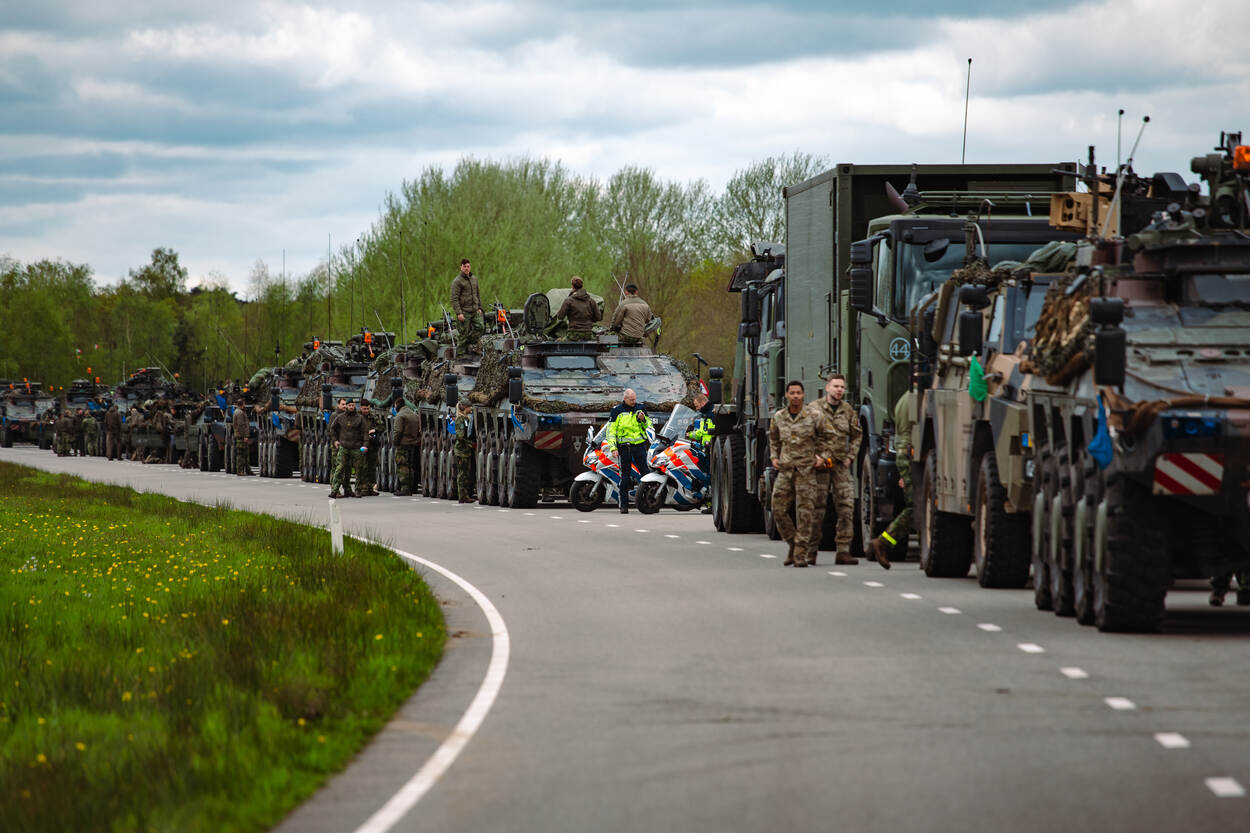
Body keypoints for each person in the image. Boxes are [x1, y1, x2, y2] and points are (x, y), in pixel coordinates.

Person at [809, 373, 872, 567]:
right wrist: (813, 457)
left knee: (846, 508)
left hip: (838, 466)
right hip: (820, 466)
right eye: (836, 386)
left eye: (842, 387)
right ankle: (810, 551)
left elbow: (857, 435)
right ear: (827, 387)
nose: (839, 390)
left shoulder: (847, 411)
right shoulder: (814, 409)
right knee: (817, 509)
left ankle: (843, 551)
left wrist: (851, 456)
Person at [768, 380, 827, 567]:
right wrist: (774, 457)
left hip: (806, 471)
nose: (795, 396)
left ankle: (800, 554)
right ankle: (793, 544)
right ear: (786, 395)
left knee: (805, 513)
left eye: (798, 393)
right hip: (785, 470)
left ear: (803, 395)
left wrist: (822, 457)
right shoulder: (778, 417)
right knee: (777, 509)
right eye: (792, 393)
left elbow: (827, 439)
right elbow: (774, 439)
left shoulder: (814, 416)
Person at [866, 389, 916, 567]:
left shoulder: (904, 398)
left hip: (904, 452)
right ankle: (883, 542)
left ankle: (884, 542)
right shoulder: (917, 398)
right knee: (914, 508)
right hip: (911, 454)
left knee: (915, 507)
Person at [606, 388, 651, 514]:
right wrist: (613, 448)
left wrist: (642, 420)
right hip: (624, 448)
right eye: (631, 400)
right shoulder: (617, 411)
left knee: (646, 475)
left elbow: (649, 426)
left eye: (635, 399)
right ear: (625, 399)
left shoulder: (641, 408)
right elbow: (611, 431)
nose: (634, 402)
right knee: (625, 476)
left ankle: (648, 503)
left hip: (639, 446)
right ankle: (624, 505)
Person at [329, 399, 367, 498]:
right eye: (349, 405)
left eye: (352, 405)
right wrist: (335, 440)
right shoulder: (340, 417)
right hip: (344, 447)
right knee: (340, 468)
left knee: (359, 469)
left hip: (356, 447)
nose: (351, 407)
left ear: (355, 406)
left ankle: (358, 490)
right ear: (346, 406)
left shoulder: (360, 418)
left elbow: (365, 433)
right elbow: (332, 429)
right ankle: (335, 490)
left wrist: (365, 445)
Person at [450, 258, 484, 354]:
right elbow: (454, 299)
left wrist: (480, 307)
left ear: (470, 267)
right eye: (464, 266)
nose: (466, 268)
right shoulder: (457, 281)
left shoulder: (474, 279)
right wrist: (459, 313)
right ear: (461, 267)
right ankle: (460, 355)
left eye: (468, 266)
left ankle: (470, 343)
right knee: (463, 333)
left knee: (480, 327)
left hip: (475, 310)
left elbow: (478, 294)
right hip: (464, 312)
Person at [392, 396, 420, 495]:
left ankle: (405, 488)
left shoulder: (400, 416)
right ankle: (412, 487)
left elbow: (398, 431)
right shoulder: (414, 415)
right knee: (410, 466)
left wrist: (395, 442)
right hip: (412, 443)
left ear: (397, 405)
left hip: (402, 444)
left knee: (402, 466)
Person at [357, 400, 385, 496]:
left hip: (372, 445)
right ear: (360, 408)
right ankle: (362, 487)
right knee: (362, 466)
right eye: (364, 409)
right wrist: (363, 435)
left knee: (372, 467)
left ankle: (370, 487)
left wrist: (374, 430)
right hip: (361, 444)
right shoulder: (357, 417)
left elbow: (382, 426)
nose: (366, 410)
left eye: (368, 408)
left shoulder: (372, 417)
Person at [453, 400, 475, 503]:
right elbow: (460, 436)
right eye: (469, 407)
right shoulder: (460, 420)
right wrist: (470, 443)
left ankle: (465, 495)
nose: (471, 409)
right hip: (461, 451)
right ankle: (462, 496)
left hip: (465, 451)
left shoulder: (465, 419)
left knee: (466, 474)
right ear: (465, 408)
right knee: (462, 474)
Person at [231, 398, 252, 476]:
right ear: (242, 404)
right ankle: (240, 471)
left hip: (241, 436)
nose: (245, 405)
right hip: (241, 436)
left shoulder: (239, 412)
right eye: (244, 403)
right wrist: (245, 436)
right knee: (241, 454)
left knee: (245, 454)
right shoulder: (239, 413)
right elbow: (241, 425)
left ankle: (247, 470)